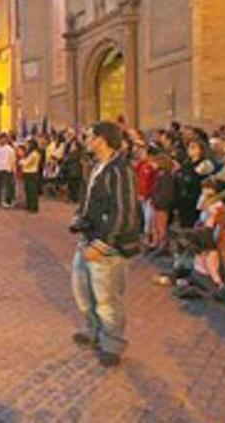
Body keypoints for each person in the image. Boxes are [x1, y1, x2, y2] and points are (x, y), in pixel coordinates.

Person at [70, 121, 140, 368]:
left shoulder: (120, 170)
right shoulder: (97, 166)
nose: (87, 139)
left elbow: (125, 211)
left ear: (102, 139)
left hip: (107, 246)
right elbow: (91, 200)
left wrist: (102, 244)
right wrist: (80, 217)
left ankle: (112, 344)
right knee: (83, 291)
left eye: (90, 136)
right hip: (88, 237)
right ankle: (94, 331)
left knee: (108, 299)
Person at [0, 133, 15, 207]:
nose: (2, 140)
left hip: (5, 168)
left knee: (5, 186)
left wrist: (11, 168)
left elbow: (12, 158)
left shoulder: (9, 148)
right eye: (1, 138)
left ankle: (4, 201)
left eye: (4, 138)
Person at [21, 139, 42, 213]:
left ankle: (33, 207)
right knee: (28, 190)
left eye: (28, 145)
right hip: (29, 172)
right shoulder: (33, 153)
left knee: (31, 190)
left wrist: (22, 161)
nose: (27, 146)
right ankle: (29, 205)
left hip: (31, 173)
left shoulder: (34, 154)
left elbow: (26, 163)